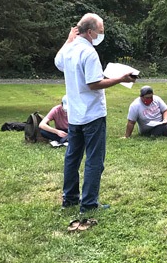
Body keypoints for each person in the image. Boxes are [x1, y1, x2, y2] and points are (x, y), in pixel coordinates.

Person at [55, 13, 135, 213]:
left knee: (72, 157)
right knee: (94, 159)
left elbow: (58, 62)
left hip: (74, 114)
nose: (102, 35)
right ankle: (89, 203)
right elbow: (93, 84)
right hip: (92, 114)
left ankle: (70, 198)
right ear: (89, 32)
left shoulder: (69, 48)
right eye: (100, 32)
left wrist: (67, 39)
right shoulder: (88, 52)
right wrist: (120, 79)